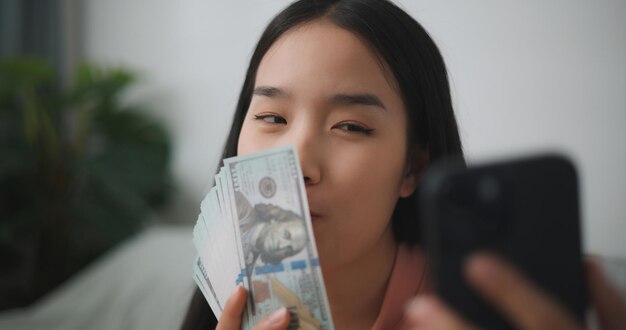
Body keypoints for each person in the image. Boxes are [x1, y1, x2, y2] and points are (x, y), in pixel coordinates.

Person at [181, 0, 626, 329]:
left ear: (413, 168)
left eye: (351, 127)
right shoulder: (222, 300)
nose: (297, 165)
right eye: (271, 118)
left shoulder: (481, 311)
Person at [235, 191, 308, 267]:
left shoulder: (249, 267)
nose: (281, 246)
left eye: (288, 249)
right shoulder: (242, 207)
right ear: (275, 220)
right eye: (286, 235)